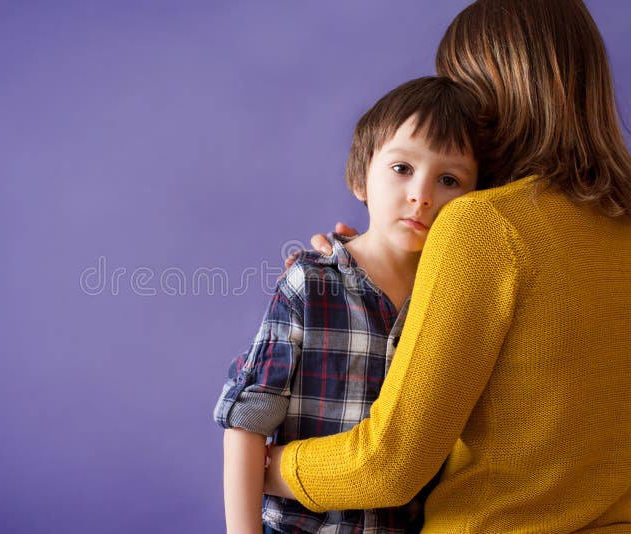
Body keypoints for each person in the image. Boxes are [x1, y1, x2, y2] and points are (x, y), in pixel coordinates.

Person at [263, 1, 631, 532]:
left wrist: (264, 463)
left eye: (457, 86)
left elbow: (390, 466)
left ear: (492, 93)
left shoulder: (483, 229)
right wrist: (374, 268)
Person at [214, 76, 480, 533]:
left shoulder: (455, 299)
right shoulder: (311, 283)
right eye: (402, 169)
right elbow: (248, 416)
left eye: (449, 179)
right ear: (360, 177)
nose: (422, 195)